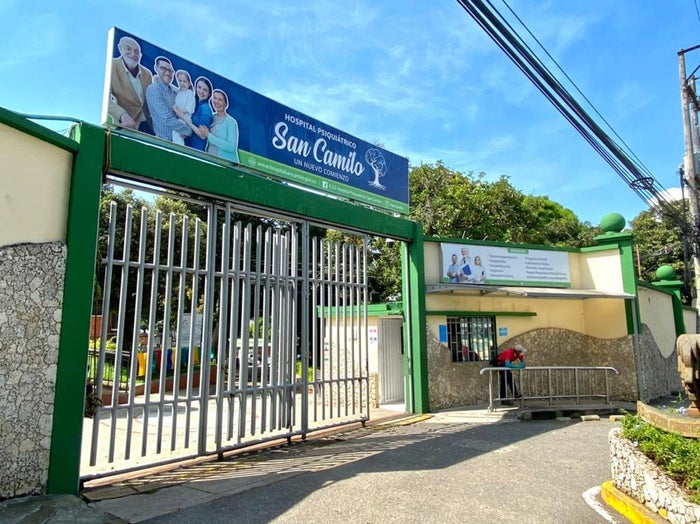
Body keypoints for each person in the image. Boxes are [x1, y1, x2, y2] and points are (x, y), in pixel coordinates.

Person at [107, 36, 153, 133]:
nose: (133, 54)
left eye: (137, 51)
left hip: (147, 126)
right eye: (128, 49)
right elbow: (105, 98)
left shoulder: (147, 74)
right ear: (120, 48)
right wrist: (122, 114)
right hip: (125, 126)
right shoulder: (112, 65)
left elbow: (149, 103)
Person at [145, 56, 192, 142]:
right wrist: (188, 130)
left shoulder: (174, 93)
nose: (167, 73)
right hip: (163, 142)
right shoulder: (154, 89)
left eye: (170, 71)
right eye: (163, 68)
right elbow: (166, 119)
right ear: (156, 68)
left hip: (178, 141)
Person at [200, 89, 240, 162]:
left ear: (226, 104)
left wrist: (209, 136)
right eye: (214, 98)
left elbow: (231, 147)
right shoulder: (210, 117)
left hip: (226, 164)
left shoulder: (231, 122)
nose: (216, 102)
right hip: (210, 161)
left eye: (220, 100)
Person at [176, 76, 214, 151]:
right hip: (185, 144)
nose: (201, 91)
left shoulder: (205, 109)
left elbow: (203, 135)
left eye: (205, 90)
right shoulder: (194, 103)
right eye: (199, 87)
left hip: (195, 149)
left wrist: (184, 118)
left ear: (209, 94)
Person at [171, 70, 196, 145]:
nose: (182, 83)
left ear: (189, 83)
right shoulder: (179, 92)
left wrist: (177, 110)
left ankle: (178, 148)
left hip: (185, 119)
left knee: (177, 133)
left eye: (184, 81)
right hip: (178, 117)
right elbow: (172, 87)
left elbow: (190, 109)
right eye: (180, 81)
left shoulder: (189, 93)